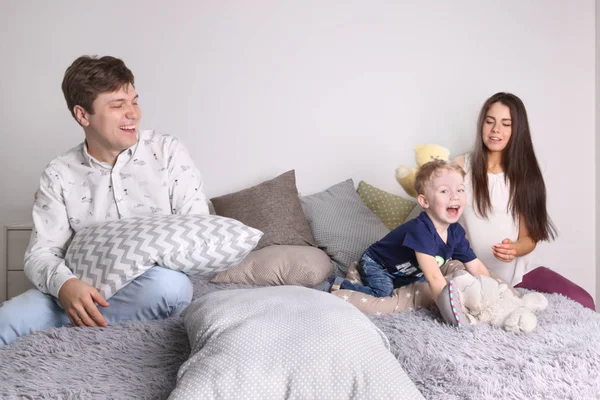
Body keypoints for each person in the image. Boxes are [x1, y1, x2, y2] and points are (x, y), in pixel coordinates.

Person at [0, 55, 210, 346]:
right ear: (83, 115)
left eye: (134, 101)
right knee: (7, 317)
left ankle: (77, 320)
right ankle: (78, 312)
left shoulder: (167, 152)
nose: (133, 114)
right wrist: (66, 286)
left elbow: (199, 233)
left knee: (170, 287)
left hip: (152, 286)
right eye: (117, 105)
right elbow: (41, 253)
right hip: (82, 287)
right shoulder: (59, 173)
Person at [455, 92, 595, 310]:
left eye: (506, 124)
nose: (495, 130)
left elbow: (529, 237)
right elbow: (437, 220)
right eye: (489, 121)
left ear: (517, 130)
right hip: (470, 273)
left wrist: (514, 249)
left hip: (519, 274)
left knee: (585, 301)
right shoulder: (459, 166)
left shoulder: (527, 175)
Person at [318, 160, 493, 309]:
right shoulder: (421, 229)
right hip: (379, 264)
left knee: (437, 283)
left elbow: (475, 266)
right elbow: (433, 275)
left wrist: (495, 290)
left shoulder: (456, 232)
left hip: (407, 271)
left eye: (460, 190)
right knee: (382, 294)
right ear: (424, 201)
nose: (454, 196)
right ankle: (338, 284)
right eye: (444, 191)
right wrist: (451, 309)